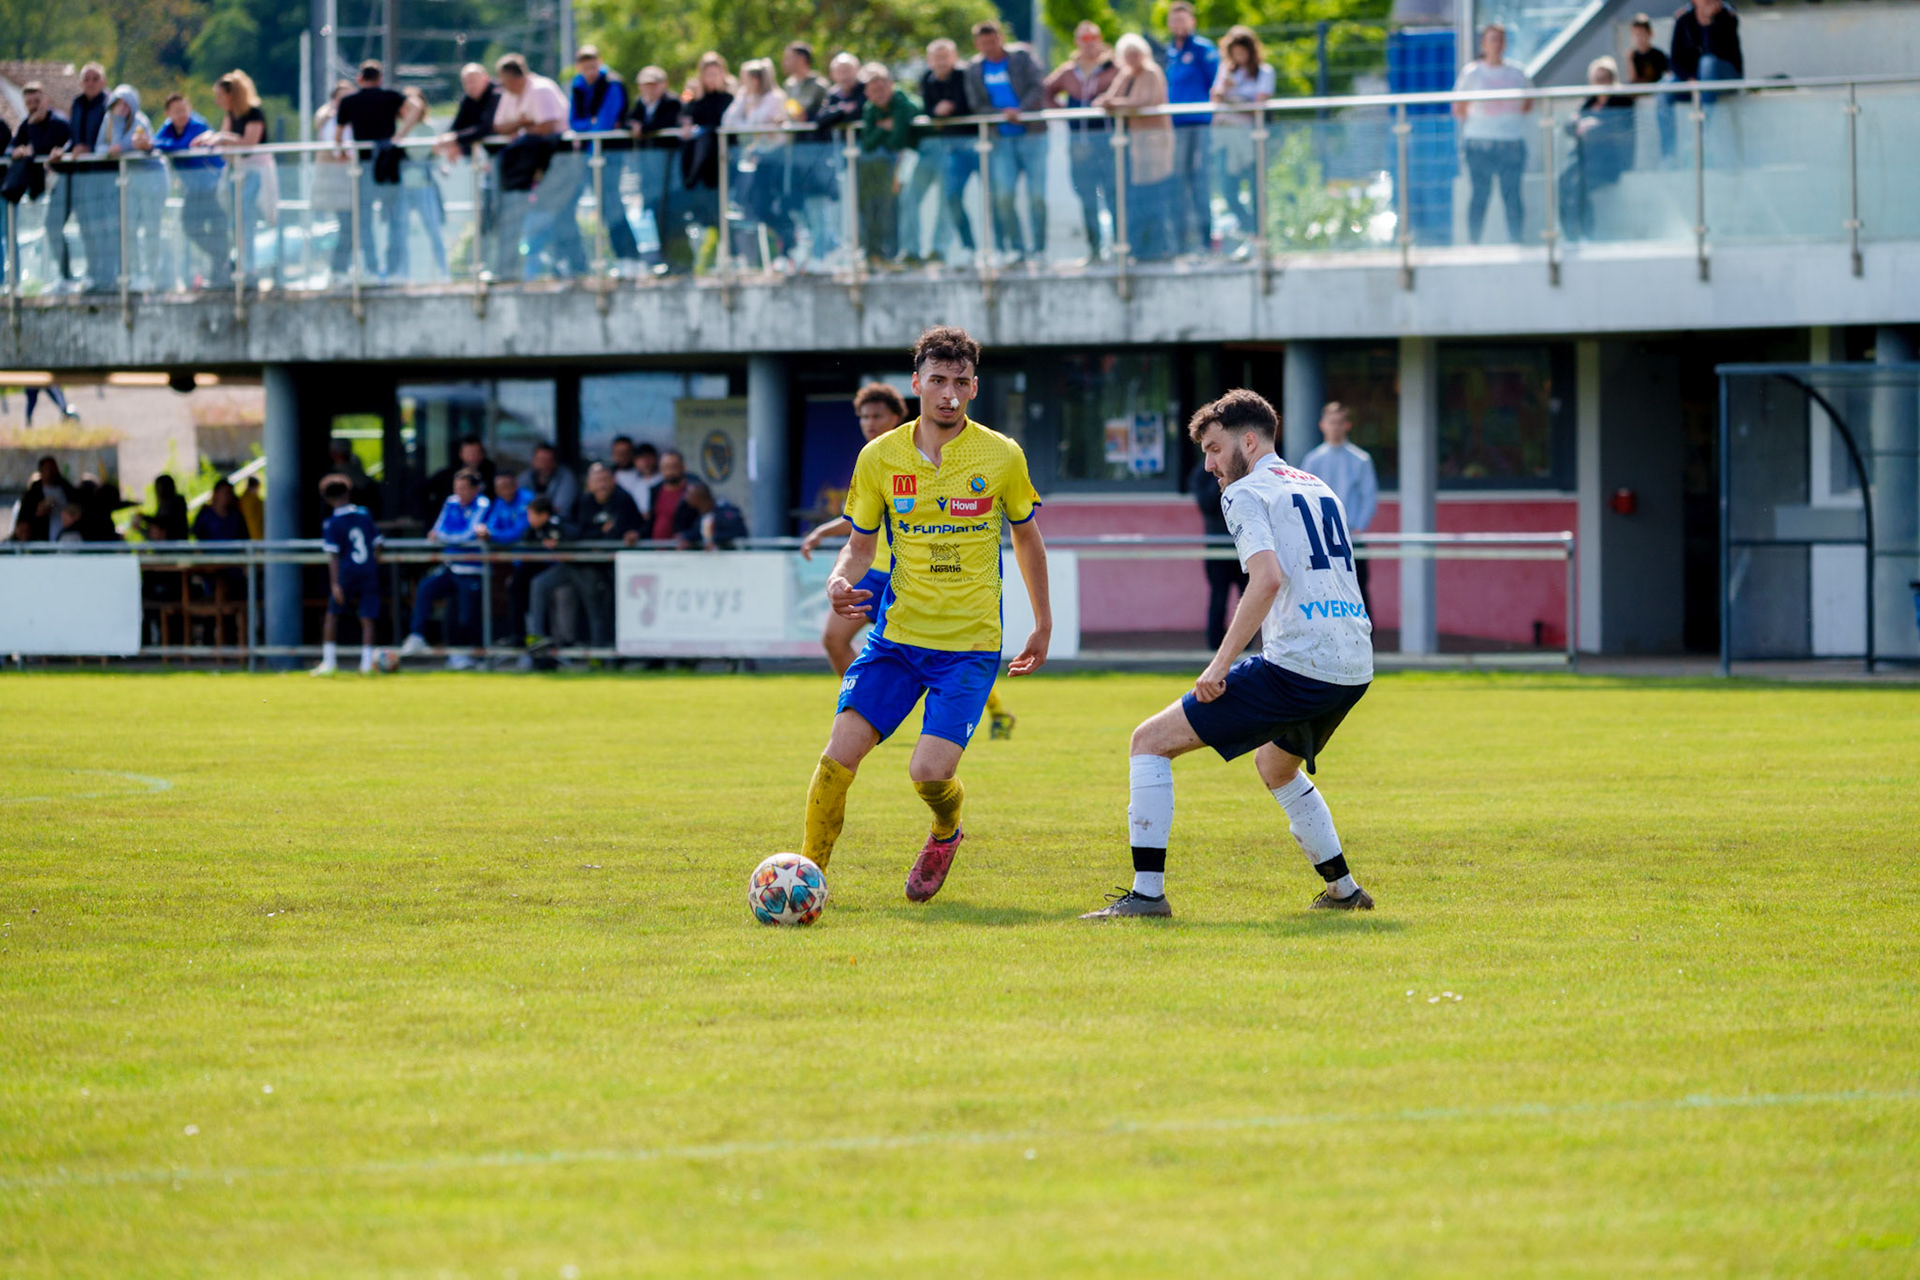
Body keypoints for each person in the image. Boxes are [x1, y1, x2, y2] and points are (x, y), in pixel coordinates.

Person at [1080, 390, 1374, 920]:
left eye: (1215, 449)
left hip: (1302, 665)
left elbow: (1265, 581)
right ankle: (1344, 891)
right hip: (1354, 663)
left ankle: (1147, 896)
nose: (1211, 465)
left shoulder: (1245, 492)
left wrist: (1217, 668)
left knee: (1148, 742)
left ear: (1249, 440)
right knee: (1275, 764)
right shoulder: (1317, 484)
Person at [800, 326, 1051, 902]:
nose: (949, 394)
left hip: (968, 646)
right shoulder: (880, 458)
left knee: (928, 773)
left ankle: (945, 831)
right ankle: (808, 874)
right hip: (896, 641)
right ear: (917, 383)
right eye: (937, 381)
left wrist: (1042, 622)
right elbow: (861, 543)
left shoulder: (1001, 455)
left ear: (974, 387)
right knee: (839, 757)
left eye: (961, 383)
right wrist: (841, 578)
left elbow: (1028, 539)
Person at [799, 383, 911, 673]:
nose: (869, 423)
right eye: (864, 417)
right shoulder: (869, 458)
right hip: (872, 573)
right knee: (833, 640)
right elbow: (859, 519)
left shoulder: (912, 457)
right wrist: (822, 532)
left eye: (877, 416)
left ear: (897, 416)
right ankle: (860, 709)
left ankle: (994, 708)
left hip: (909, 577)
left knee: (933, 654)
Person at [528, 461, 641, 651]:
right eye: (597, 480)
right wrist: (597, 533)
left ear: (613, 480)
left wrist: (598, 536)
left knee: (595, 609)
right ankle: (536, 638)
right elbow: (577, 532)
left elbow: (617, 534)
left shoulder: (623, 500)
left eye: (605, 479)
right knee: (539, 584)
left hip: (598, 568)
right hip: (574, 562)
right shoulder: (585, 501)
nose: (602, 484)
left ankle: (601, 654)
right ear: (589, 483)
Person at [965, 21, 1049, 265]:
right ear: (976, 45)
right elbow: (976, 103)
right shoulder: (974, 68)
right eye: (983, 44)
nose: (989, 47)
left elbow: (1037, 87)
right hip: (1000, 140)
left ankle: (1039, 249)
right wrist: (1000, 114)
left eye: (992, 41)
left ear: (1000, 38)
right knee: (1003, 196)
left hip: (1032, 135)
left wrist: (1020, 110)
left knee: (1037, 196)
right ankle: (1016, 248)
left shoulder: (1022, 58)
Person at [1452, 24, 1534, 246]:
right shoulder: (1472, 73)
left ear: (1505, 43)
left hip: (1511, 144)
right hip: (1479, 145)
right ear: (1483, 44)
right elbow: (1459, 109)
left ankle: (1517, 242)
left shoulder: (1517, 73)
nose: (1496, 44)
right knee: (1480, 195)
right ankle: (1473, 243)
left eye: (1499, 39)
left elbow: (1528, 104)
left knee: (1512, 196)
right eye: (1491, 40)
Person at [489, 54, 569, 279]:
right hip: (523, 171)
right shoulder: (510, 93)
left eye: (505, 81)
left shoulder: (540, 89)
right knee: (513, 219)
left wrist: (522, 128)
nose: (503, 86)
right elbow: (499, 126)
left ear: (516, 77)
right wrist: (524, 123)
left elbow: (547, 128)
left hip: (554, 164)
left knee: (556, 217)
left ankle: (563, 268)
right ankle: (508, 270)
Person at [1096, 36, 1176, 262]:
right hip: (1135, 148)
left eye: (1136, 53)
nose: (1132, 59)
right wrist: (1109, 102)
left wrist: (1116, 104)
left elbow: (1144, 101)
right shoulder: (1127, 73)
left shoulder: (1151, 73)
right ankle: (1138, 248)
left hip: (1153, 145)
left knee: (1154, 197)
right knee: (1136, 200)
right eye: (1128, 54)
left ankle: (1159, 248)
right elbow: (1110, 97)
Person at [1044, 23, 1119, 264]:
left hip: (1109, 143)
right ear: (1077, 41)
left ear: (1100, 39)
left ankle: (1120, 247)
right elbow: (1045, 90)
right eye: (1084, 38)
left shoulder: (1114, 68)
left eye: (1093, 37)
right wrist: (1062, 110)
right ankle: (1095, 249)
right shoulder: (1069, 71)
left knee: (1114, 195)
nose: (1089, 42)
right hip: (1079, 146)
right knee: (1086, 198)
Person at [400, 469, 490, 666]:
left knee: (468, 617)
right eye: (457, 488)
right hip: (452, 568)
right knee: (425, 588)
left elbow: (467, 535)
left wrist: (445, 538)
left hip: (473, 570)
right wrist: (444, 537)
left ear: (476, 489)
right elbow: (437, 530)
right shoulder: (451, 502)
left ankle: (480, 657)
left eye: (464, 488)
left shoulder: (483, 503)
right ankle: (417, 636)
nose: (460, 493)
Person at [1300, 402, 1379, 618]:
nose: (1335, 427)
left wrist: (1358, 528)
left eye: (1339, 422)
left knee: (1358, 593)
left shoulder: (1361, 460)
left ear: (1347, 425)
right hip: (1321, 540)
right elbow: (1305, 497)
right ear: (1322, 425)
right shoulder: (1312, 460)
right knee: (1322, 594)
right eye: (1331, 422)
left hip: (1352, 539)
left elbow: (1369, 498)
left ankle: (1365, 646)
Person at [335, 61, 408, 280]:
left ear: (359, 79)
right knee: (394, 218)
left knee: (364, 220)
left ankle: (372, 268)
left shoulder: (349, 101)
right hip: (389, 164)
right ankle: (394, 269)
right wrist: (400, 134)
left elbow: (338, 135)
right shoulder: (390, 97)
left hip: (364, 165)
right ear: (380, 79)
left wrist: (342, 152)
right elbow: (414, 108)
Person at [1160, 1, 1221, 255]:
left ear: (1192, 22)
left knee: (1199, 182)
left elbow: (1215, 84)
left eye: (1183, 20)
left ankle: (1205, 241)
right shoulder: (1168, 52)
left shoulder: (1203, 49)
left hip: (1198, 124)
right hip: (1173, 126)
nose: (1179, 25)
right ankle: (1181, 242)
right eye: (1175, 20)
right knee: (1177, 184)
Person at [571, 45, 640, 265]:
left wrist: (588, 127)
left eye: (593, 66)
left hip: (610, 154)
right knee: (603, 207)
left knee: (613, 205)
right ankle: (621, 257)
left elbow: (605, 123)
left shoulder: (612, 83)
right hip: (591, 156)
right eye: (585, 68)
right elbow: (574, 121)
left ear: (599, 63)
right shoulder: (578, 86)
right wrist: (588, 125)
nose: (590, 72)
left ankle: (630, 256)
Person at [153, 94, 231, 287]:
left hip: (214, 187)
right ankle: (223, 257)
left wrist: (167, 146)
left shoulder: (198, 125)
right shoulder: (168, 128)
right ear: (168, 113)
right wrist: (164, 145)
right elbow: (156, 143)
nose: (182, 115)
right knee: (190, 227)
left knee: (217, 230)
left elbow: (185, 144)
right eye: (176, 111)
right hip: (194, 190)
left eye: (184, 109)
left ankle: (221, 275)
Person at [207, 71, 276, 282]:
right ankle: (239, 264)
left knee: (245, 219)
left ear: (233, 95)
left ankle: (249, 268)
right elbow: (227, 150)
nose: (218, 101)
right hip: (236, 173)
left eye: (221, 96)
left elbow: (248, 144)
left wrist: (224, 138)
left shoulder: (254, 114)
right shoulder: (231, 116)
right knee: (234, 222)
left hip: (254, 173)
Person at [1558, 58, 1637, 241]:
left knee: (1579, 185)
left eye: (1605, 78)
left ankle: (1585, 233)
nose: (1601, 82)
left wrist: (1596, 126)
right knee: (1563, 182)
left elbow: (1622, 128)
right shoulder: (1587, 103)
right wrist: (1578, 124)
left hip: (1607, 161)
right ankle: (1569, 234)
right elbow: (1569, 127)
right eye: (1597, 78)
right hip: (1582, 158)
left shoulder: (1621, 102)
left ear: (1613, 79)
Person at [98, 85, 169, 291]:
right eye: (117, 104)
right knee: (128, 229)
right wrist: (111, 146)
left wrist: (117, 145)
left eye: (124, 103)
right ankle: (135, 272)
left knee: (151, 228)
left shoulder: (141, 121)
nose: (121, 108)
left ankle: (152, 274)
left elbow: (127, 144)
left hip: (151, 180)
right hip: (130, 181)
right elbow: (102, 146)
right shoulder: (109, 122)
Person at [1210, 26, 1273, 254]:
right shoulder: (1225, 71)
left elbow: (1258, 106)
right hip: (1227, 138)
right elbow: (1215, 99)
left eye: (1242, 52)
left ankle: (1260, 237)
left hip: (1252, 138)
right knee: (1228, 191)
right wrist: (1224, 91)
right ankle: (1252, 231)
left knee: (1256, 188)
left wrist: (1233, 99)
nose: (1238, 57)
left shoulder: (1264, 72)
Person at [912, 39, 976, 265]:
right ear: (930, 60)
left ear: (954, 57)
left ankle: (1000, 249)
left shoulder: (964, 75)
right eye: (937, 58)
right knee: (952, 197)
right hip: (950, 147)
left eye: (945, 57)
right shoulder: (927, 79)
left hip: (976, 142)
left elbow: (969, 103)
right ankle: (970, 247)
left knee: (997, 196)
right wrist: (936, 112)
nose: (941, 62)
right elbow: (928, 109)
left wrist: (950, 109)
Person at [723, 59, 795, 256]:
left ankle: (790, 246)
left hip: (775, 158)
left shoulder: (774, 98)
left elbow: (757, 122)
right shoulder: (744, 97)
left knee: (771, 204)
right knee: (753, 205)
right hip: (756, 157)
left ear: (756, 79)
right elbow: (728, 121)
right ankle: (783, 247)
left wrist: (750, 118)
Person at [315, 475, 383, 675]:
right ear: (348, 492)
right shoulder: (364, 514)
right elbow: (377, 543)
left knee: (332, 614)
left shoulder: (332, 523)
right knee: (367, 617)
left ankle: (329, 662)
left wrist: (335, 583)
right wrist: (373, 563)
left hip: (346, 572)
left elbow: (333, 555)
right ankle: (366, 664)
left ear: (327, 499)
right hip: (368, 571)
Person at [53, 64, 112, 291]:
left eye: (95, 78)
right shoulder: (77, 104)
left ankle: (102, 275)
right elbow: (75, 139)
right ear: (80, 82)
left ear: (103, 82)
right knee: (85, 227)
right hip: (78, 177)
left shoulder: (110, 105)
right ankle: (81, 275)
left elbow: (109, 137)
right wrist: (64, 151)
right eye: (86, 78)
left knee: (101, 227)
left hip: (102, 176)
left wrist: (92, 150)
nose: (90, 82)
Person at [857, 63, 920, 265]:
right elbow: (867, 143)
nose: (879, 94)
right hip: (882, 168)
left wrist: (882, 132)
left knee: (901, 208)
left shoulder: (902, 102)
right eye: (873, 90)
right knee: (877, 208)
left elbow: (898, 141)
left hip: (907, 162)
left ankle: (903, 252)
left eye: (882, 88)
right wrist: (886, 129)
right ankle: (877, 252)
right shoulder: (870, 109)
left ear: (890, 85)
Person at [679, 53, 736, 273]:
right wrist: (695, 98)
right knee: (705, 212)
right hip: (700, 168)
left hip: (721, 163)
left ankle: (730, 256)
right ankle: (709, 260)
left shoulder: (729, 97)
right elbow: (685, 118)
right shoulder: (694, 98)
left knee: (722, 209)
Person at [628, 66, 685, 273]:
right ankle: (662, 257)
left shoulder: (672, 103)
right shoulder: (641, 104)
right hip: (649, 169)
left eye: (653, 85)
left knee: (670, 213)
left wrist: (643, 129)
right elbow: (629, 121)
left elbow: (665, 123)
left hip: (668, 167)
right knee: (653, 211)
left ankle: (678, 259)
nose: (649, 90)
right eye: (645, 86)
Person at [1192, 455, 1247, 651]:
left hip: (1246, 549)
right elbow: (1206, 505)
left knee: (1248, 602)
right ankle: (1215, 651)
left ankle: (1244, 650)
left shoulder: (1246, 469)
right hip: (1217, 550)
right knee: (1218, 601)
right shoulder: (1204, 472)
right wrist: (1222, 479)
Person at [392, 88, 447, 279]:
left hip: (424, 185)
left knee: (434, 231)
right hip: (402, 188)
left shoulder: (428, 129)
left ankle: (443, 272)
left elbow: (433, 155)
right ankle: (402, 274)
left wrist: (441, 166)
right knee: (401, 234)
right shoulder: (396, 127)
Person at [1671, 0, 1743, 110]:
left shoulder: (1727, 17)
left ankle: (1705, 122)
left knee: (1707, 63)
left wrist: (1708, 24)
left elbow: (1712, 54)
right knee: (1665, 85)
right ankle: (1667, 128)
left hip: (1727, 77)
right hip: (1695, 79)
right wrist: (1689, 78)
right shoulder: (1683, 19)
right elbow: (1675, 60)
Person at [1627, 14, 1675, 163]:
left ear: (1650, 34)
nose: (1639, 38)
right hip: (1641, 102)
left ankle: (1667, 156)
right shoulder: (1634, 56)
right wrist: (1629, 61)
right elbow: (1633, 80)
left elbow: (1668, 76)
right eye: (1636, 35)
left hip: (1657, 98)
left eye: (1642, 34)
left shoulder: (1658, 55)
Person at [427, 436, 496, 511]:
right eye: (469, 453)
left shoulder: (491, 474)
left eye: (477, 453)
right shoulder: (451, 501)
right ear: (461, 454)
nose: (473, 457)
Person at [20, 456, 79, 541]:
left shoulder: (66, 488)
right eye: (48, 469)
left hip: (65, 537)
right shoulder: (33, 493)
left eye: (54, 468)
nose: (52, 472)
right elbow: (25, 519)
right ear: (41, 471)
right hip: (41, 539)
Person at [676, 481, 748, 549]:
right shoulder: (702, 514)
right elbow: (699, 532)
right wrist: (685, 536)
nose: (685, 497)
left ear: (699, 497)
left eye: (688, 493)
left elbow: (739, 532)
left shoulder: (723, 511)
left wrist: (715, 538)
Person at [517, 442, 579, 516]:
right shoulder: (525, 477)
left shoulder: (567, 478)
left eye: (549, 461)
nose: (545, 464)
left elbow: (561, 509)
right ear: (533, 461)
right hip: (529, 523)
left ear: (555, 462)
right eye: (541, 460)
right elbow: (518, 507)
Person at [646, 448, 691, 543]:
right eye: (666, 467)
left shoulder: (692, 491)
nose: (670, 471)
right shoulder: (655, 491)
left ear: (683, 467)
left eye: (674, 467)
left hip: (681, 551)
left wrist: (688, 536)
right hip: (656, 550)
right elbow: (651, 521)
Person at [137, 473, 190, 542]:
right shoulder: (173, 504)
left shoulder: (172, 504)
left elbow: (163, 522)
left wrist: (143, 518)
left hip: (174, 544)